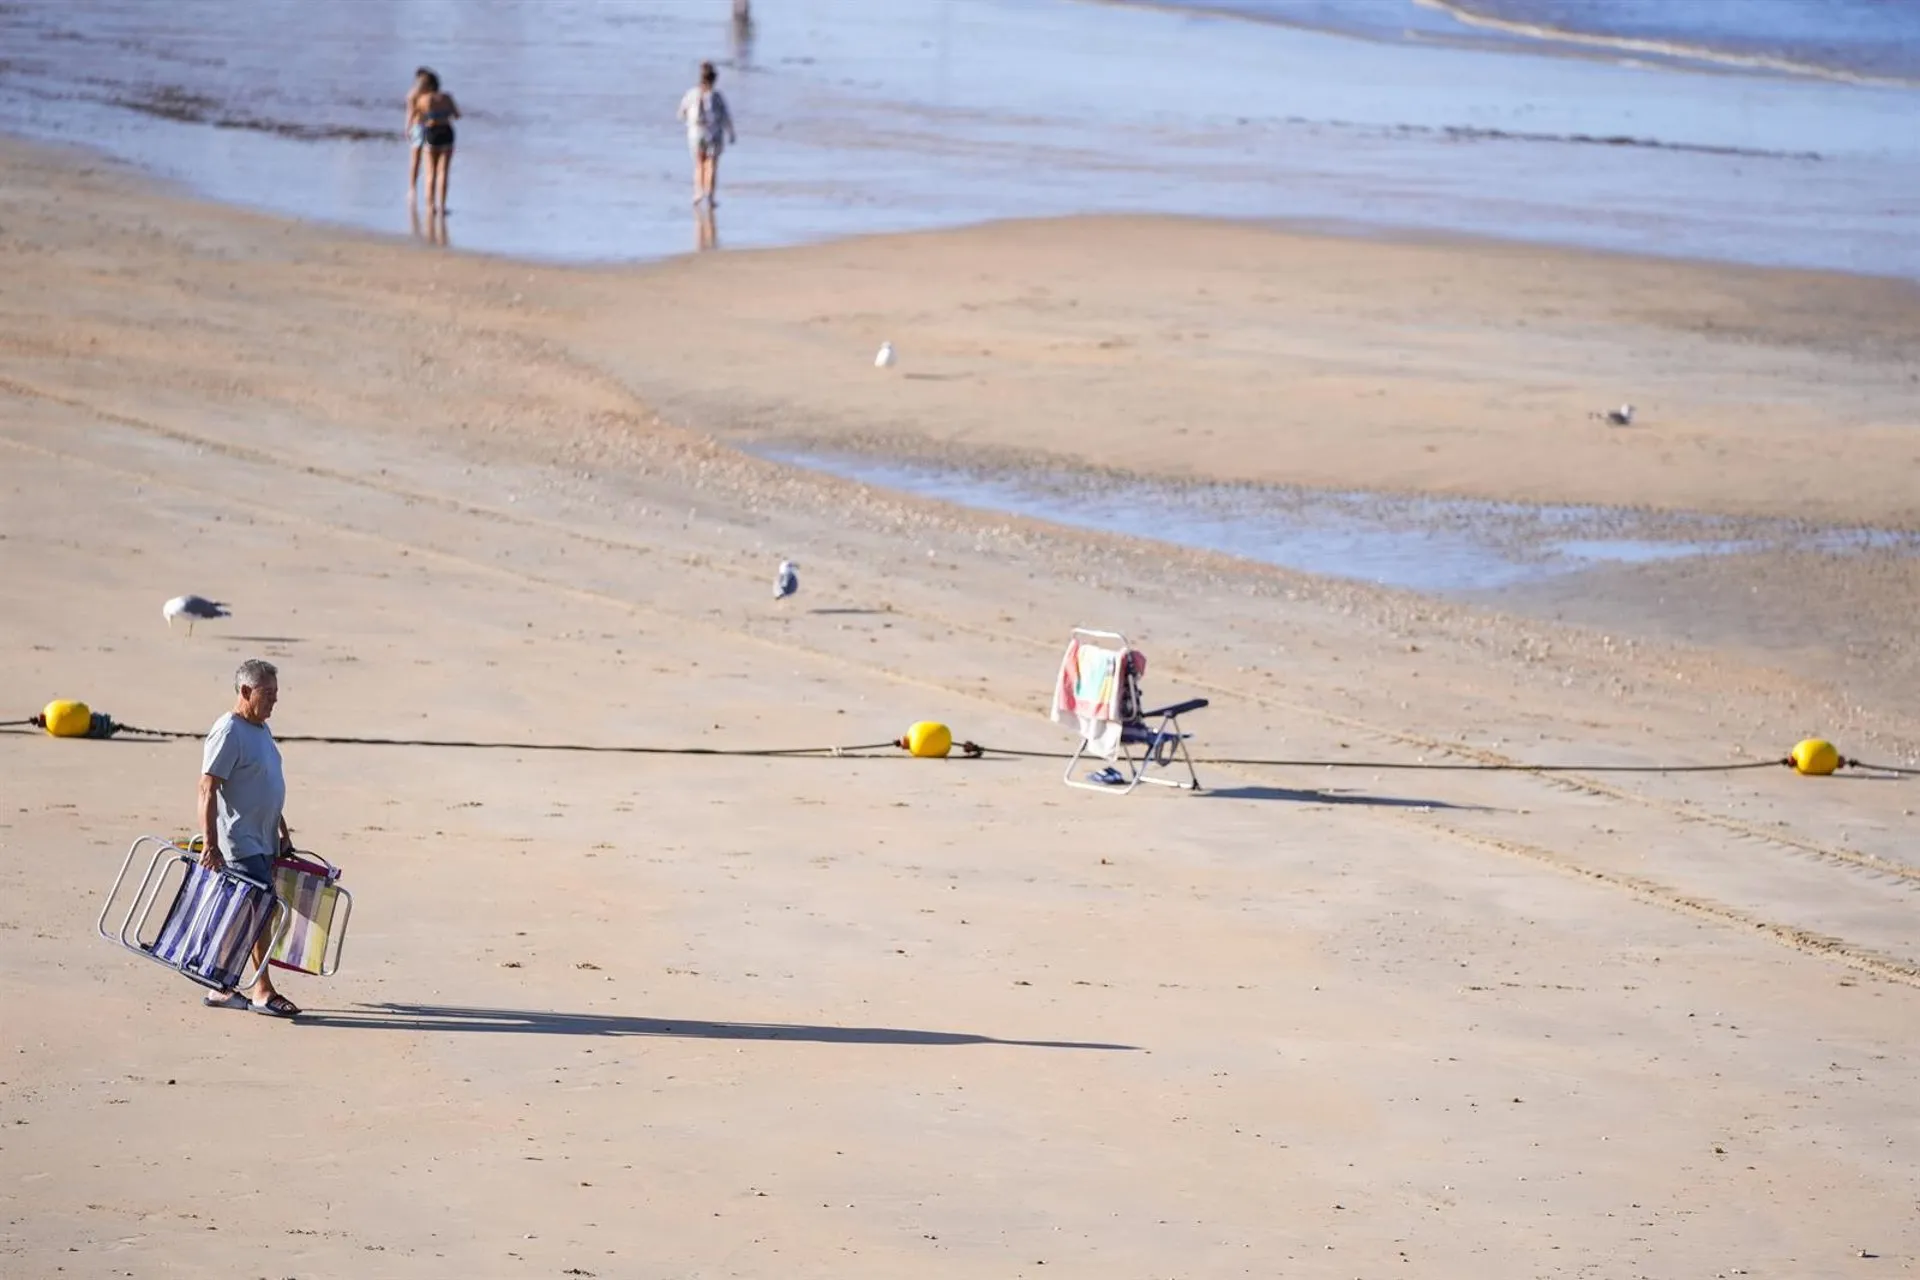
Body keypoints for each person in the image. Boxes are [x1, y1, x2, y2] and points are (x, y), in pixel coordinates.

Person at [197, 658, 300, 1018]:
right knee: (261, 909)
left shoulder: (260, 730)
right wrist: (210, 845)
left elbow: (263, 784)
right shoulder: (229, 730)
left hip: (264, 837)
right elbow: (208, 788)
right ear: (245, 691)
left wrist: (282, 828)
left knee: (249, 912)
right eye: (267, 694)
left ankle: (220, 986)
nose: (274, 701)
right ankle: (261, 989)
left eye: (276, 693)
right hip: (239, 840)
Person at [677, 61, 736, 207]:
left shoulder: (691, 94)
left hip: (695, 132)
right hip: (714, 133)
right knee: (711, 164)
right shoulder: (717, 96)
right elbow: (725, 116)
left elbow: (681, 113)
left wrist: (687, 122)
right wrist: (731, 132)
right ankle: (710, 196)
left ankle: (698, 193)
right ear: (714, 79)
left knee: (698, 164)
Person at [418, 71, 461, 213]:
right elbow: (457, 115)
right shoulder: (447, 97)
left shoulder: (424, 99)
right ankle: (442, 206)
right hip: (447, 131)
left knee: (430, 172)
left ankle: (430, 206)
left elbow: (419, 118)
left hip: (432, 132)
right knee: (444, 172)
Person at [405, 66, 435, 204]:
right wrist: (408, 127)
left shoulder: (430, 94)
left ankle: (426, 190)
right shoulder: (414, 95)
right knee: (416, 159)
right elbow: (410, 113)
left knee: (428, 160)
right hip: (418, 126)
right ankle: (412, 188)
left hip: (429, 127)